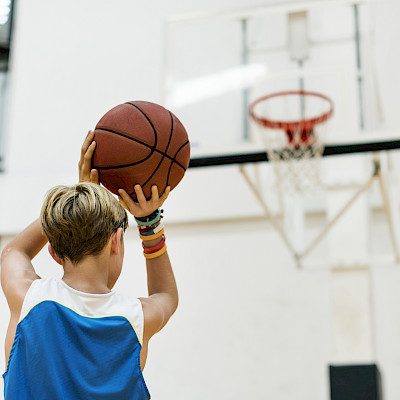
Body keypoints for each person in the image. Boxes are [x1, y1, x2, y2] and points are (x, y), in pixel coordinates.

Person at [0, 130, 178, 399]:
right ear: (116, 242)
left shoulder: (27, 298)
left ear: (53, 251)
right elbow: (166, 295)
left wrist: (75, 201)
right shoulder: (136, 318)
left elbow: (13, 251)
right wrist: (149, 223)